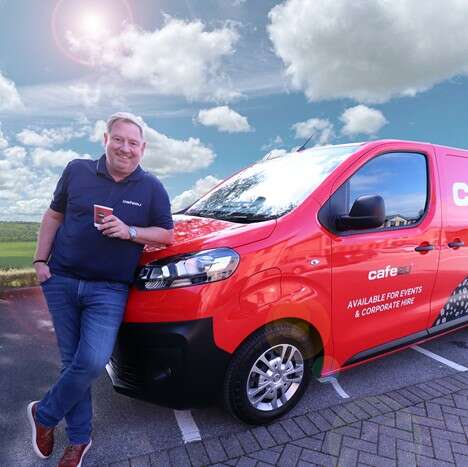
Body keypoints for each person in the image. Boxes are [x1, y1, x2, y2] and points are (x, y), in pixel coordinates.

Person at [27, 112, 174, 467]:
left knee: (92, 361)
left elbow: (166, 234)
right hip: (61, 281)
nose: (125, 148)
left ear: (143, 148)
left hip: (108, 289)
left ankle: (44, 414)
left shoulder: (151, 187)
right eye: (118, 139)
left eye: (133, 143)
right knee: (71, 362)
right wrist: (40, 261)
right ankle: (79, 440)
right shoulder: (76, 170)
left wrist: (130, 231)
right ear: (105, 140)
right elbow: (54, 216)